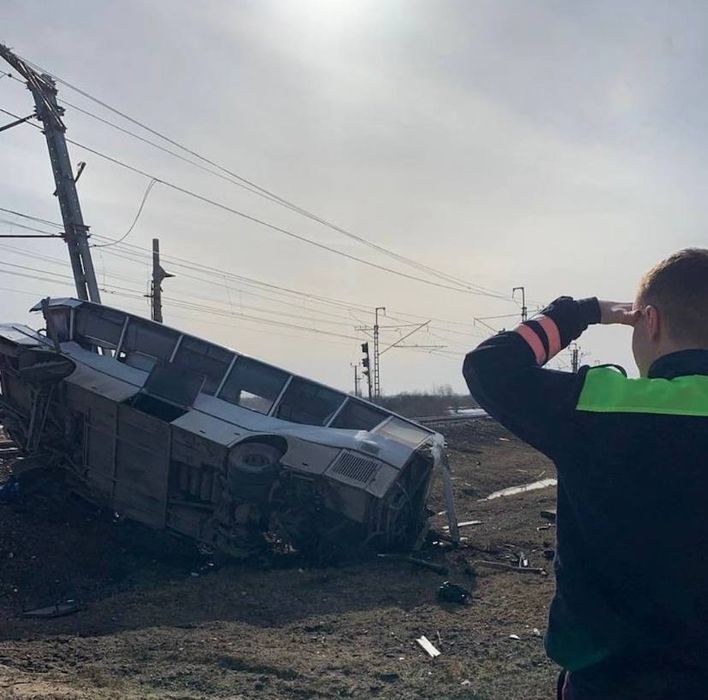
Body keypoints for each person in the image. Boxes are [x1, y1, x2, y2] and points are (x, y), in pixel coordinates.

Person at [463, 248, 708, 700]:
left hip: (610, 681)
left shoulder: (598, 405)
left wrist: (581, 312)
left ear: (649, 322)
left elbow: (490, 365)